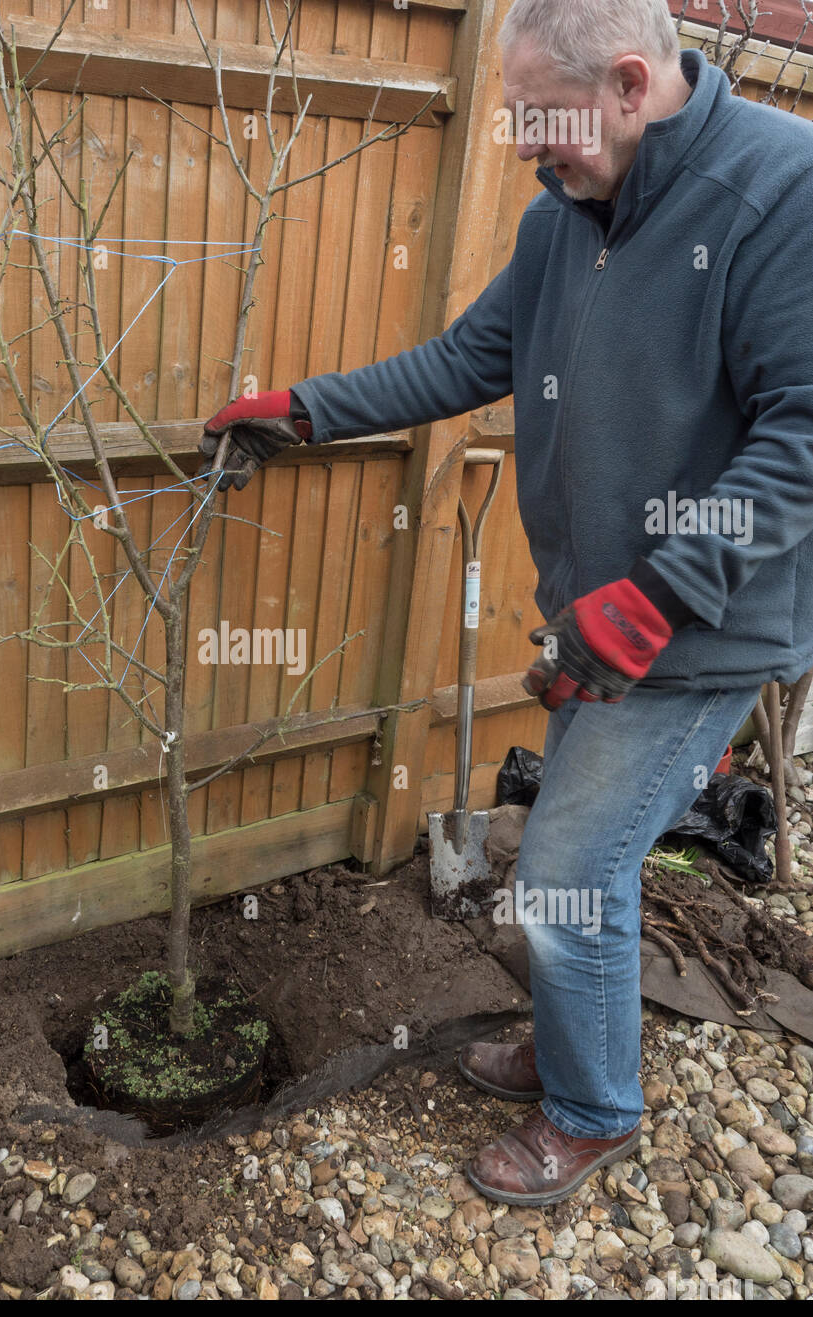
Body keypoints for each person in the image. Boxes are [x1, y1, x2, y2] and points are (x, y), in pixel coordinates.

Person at [199, 0, 813, 1204]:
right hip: (598, 620)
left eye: (546, 124)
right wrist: (306, 409)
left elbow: (801, 435)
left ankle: (591, 1111)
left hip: (695, 631)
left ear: (630, 83)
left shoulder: (776, 195)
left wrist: (655, 599)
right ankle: (574, 1037)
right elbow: (463, 360)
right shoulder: (566, 215)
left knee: (566, 871)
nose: (530, 151)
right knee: (579, 854)